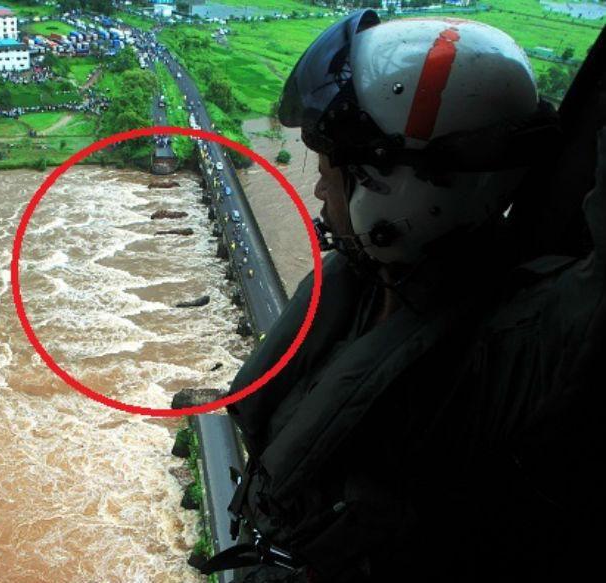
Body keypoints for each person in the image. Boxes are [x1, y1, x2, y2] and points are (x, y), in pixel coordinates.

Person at [201, 10, 605, 583]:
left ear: (399, 190)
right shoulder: (370, 281)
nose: (317, 188)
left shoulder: (526, 339)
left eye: (331, 172)